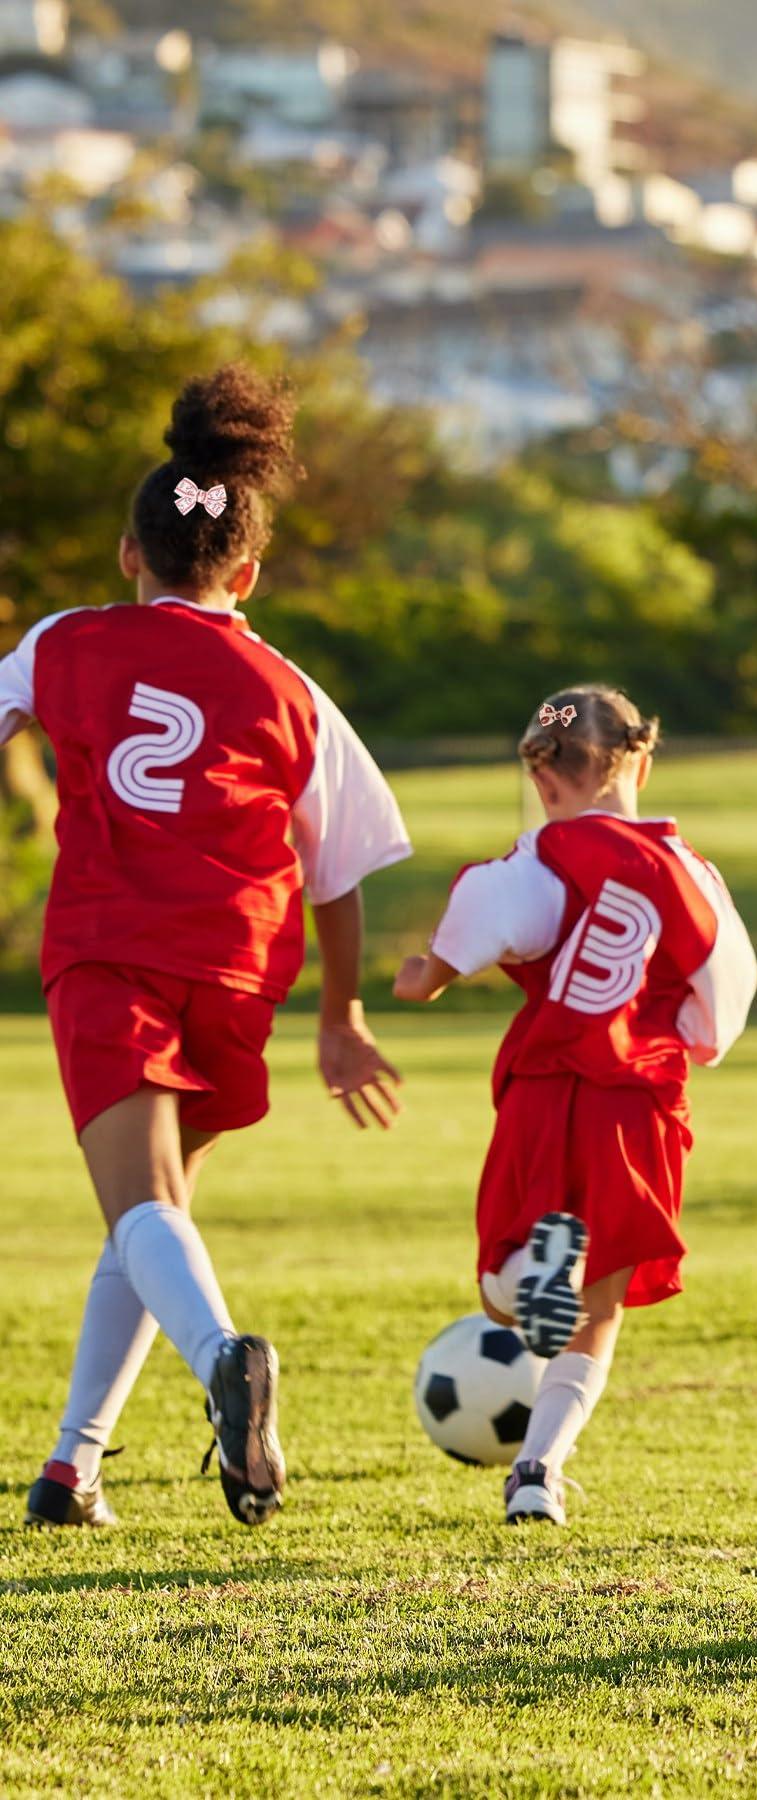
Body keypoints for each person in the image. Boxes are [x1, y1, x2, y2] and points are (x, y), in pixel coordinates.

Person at [2, 365, 410, 1529]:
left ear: (130, 554)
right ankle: (72, 1470)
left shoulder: (63, 644)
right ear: (249, 574)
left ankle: (227, 1359)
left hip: (108, 952)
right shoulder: (292, 689)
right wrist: (341, 1018)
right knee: (151, 1212)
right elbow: (340, 870)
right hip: (237, 968)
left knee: (142, 1212)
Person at [394, 683, 756, 1525]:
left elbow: (492, 914)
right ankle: (537, 1473)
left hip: (547, 1087)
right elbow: (721, 1005)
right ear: (642, 760)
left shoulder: (549, 854)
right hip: (639, 1108)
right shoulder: (692, 871)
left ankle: (533, 1273)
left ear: (544, 773)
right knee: (601, 1314)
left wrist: (433, 972)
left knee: (498, 1289)